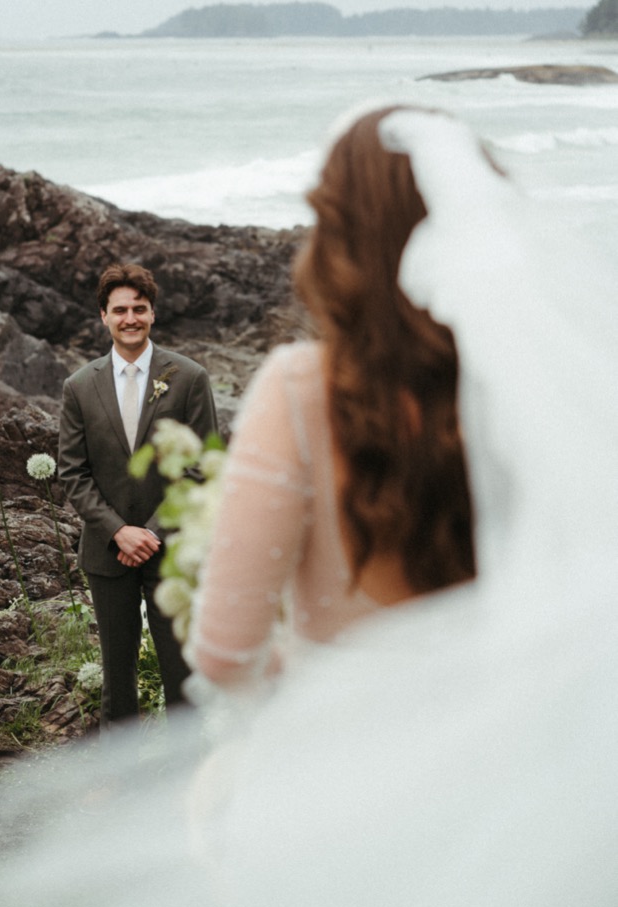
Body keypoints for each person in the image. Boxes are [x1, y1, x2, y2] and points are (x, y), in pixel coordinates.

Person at [0, 105, 618, 907]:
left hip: (336, 778)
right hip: (516, 790)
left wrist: (317, 662)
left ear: (340, 234)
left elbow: (225, 647)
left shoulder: (301, 389)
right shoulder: (545, 400)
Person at [184, 104, 476, 689]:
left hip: (342, 754)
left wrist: (310, 677)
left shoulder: (301, 389)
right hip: (505, 747)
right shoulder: (515, 385)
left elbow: (224, 654)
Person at [58, 262, 218, 724]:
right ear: (103, 317)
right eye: (120, 310)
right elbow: (73, 472)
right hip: (108, 555)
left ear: (153, 315)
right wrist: (119, 533)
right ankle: (122, 786)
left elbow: (201, 466)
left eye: (140, 309)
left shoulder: (189, 378)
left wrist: (148, 533)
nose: (131, 318)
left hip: (171, 552)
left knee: (182, 674)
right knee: (117, 680)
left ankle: (189, 780)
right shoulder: (79, 387)